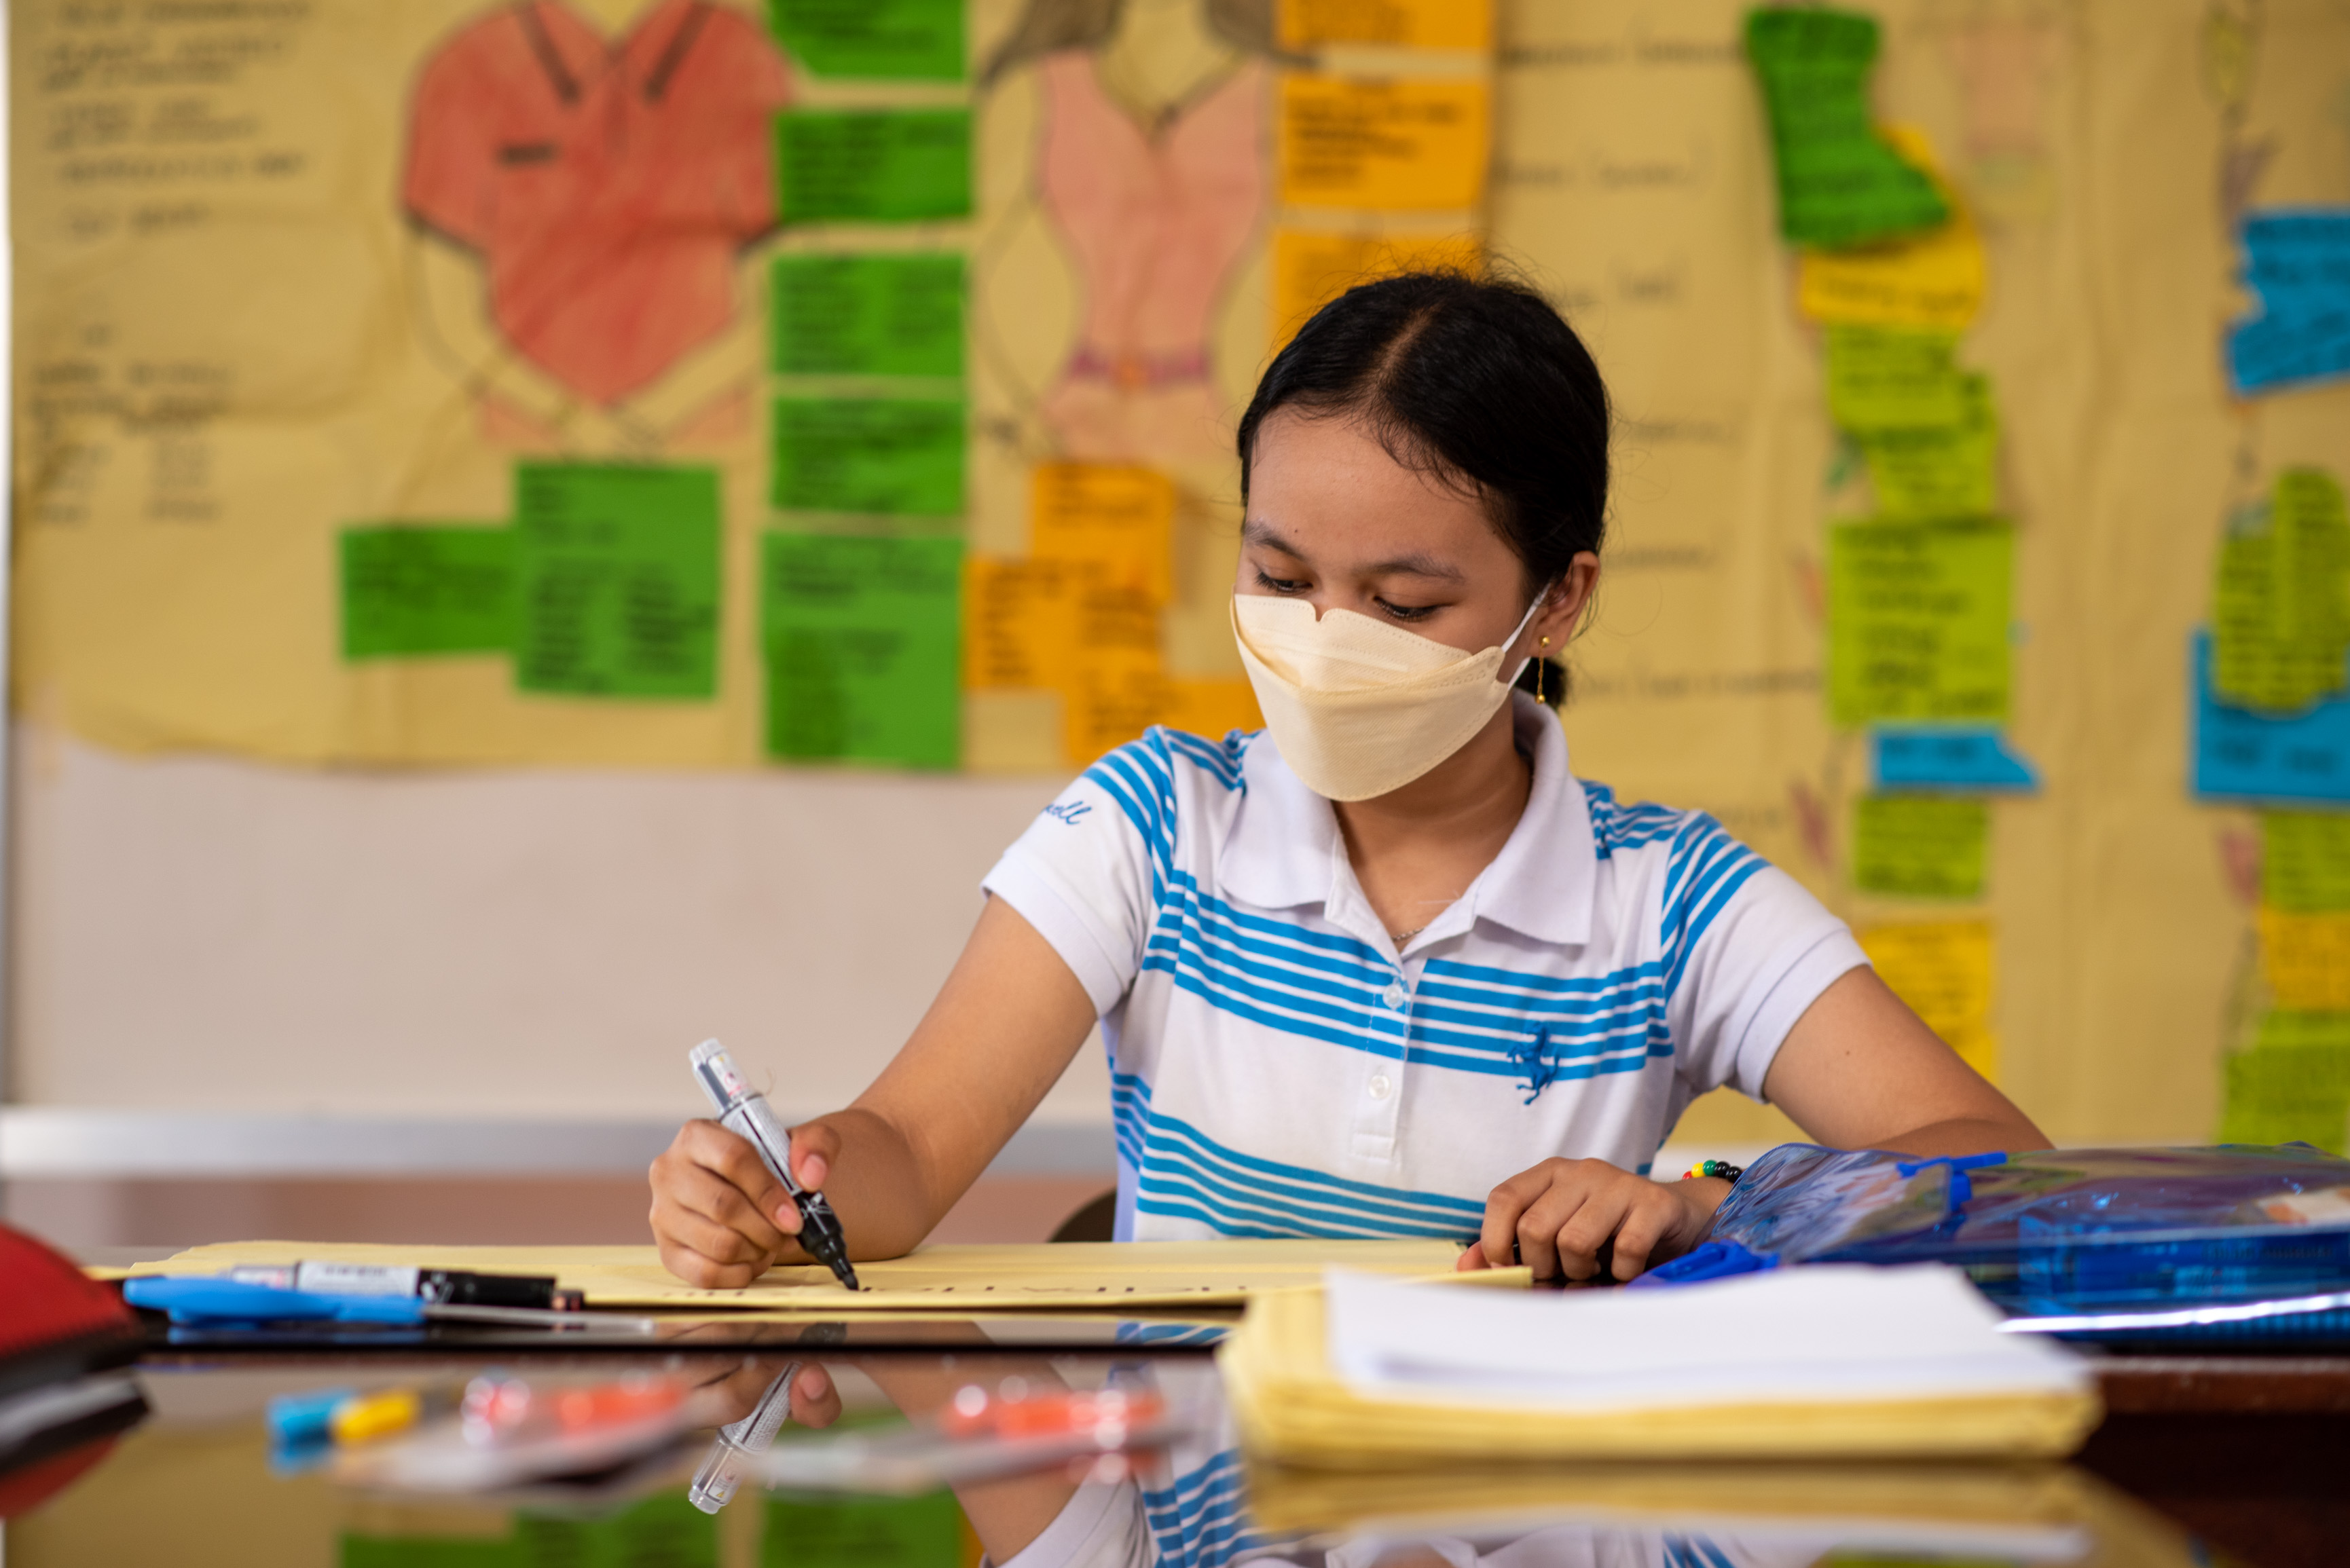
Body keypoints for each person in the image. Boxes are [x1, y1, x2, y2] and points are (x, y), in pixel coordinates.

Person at [649, 272, 2049, 1289]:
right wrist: (787, 1187)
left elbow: (1995, 1163)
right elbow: (904, 1150)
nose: (1324, 643)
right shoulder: (1154, 825)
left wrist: (1708, 1204)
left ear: (1555, 605)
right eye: (1280, 577)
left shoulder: (1670, 900)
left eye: (1403, 602)